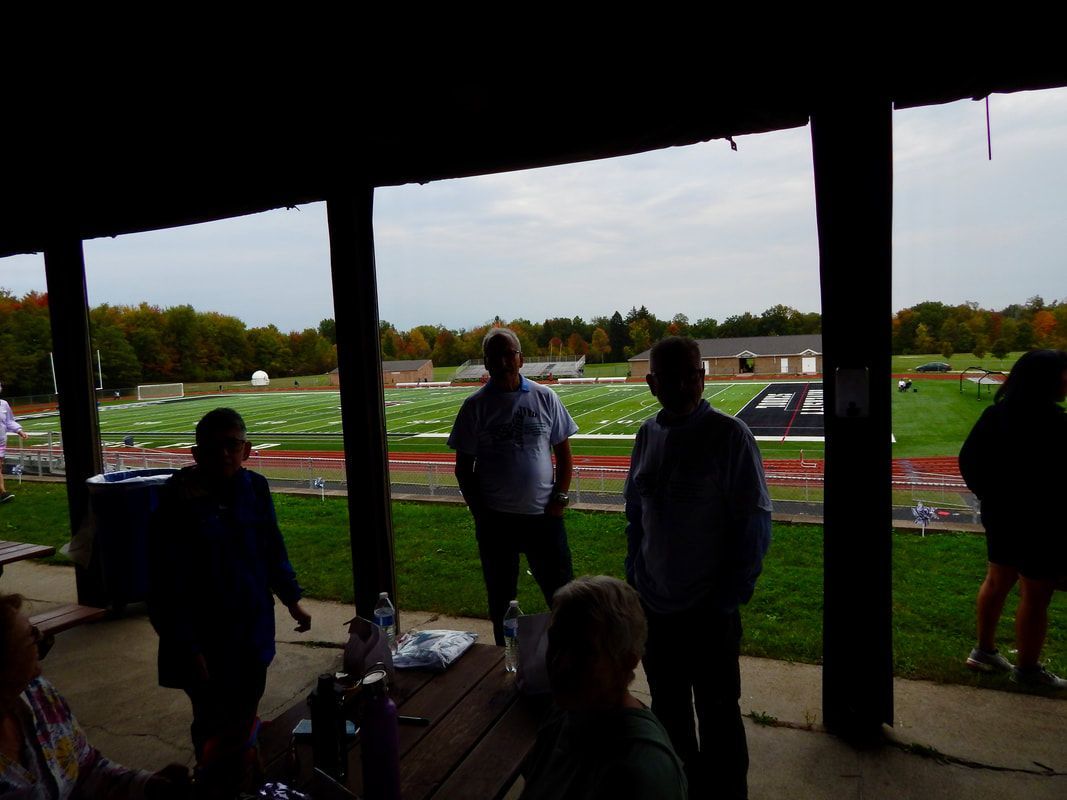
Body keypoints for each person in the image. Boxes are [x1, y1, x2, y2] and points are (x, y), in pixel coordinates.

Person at [625, 337, 771, 799]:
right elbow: (636, 515)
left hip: (709, 613)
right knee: (669, 716)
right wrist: (636, 574)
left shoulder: (730, 437)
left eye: (693, 374)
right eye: (672, 377)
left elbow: (754, 526)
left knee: (720, 717)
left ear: (704, 376)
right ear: (652, 384)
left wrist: (725, 601)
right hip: (657, 612)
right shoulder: (646, 435)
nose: (686, 385)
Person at [148, 408, 312, 792]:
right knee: (212, 720)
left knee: (246, 708)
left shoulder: (255, 487)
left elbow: (271, 546)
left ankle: (244, 775)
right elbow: (163, 581)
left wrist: (291, 599)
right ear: (195, 453)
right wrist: (185, 645)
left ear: (247, 449)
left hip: (251, 625)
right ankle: (217, 783)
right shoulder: (176, 499)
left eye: (232, 445)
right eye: (212, 447)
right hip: (205, 635)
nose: (223, 454)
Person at [449, 328, 578, 645]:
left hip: (544, 519)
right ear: (486, 362)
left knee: (564, 597)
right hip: (497, 524)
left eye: (509, 354)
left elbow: (563, 455)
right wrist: (481, 514)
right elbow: (463, 469)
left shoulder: (545, 397)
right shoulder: (475, 406)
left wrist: (559, 500)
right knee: (501, 601)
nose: (504, 361)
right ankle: (504, 664)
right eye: (496, 355)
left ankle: (572, 659)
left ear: (520, 358)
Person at [0, 591, 190, 798]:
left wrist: (145, 785)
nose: (42, 640)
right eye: (31, 637)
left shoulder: (38, 694)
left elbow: (87, 769)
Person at [521, 576, 687, 800]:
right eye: (556, 641)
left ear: (627, 661)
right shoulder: (568, 710)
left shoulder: (641, 773)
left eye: (583, 651)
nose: (561, 663)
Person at [959, 349, 1067, 688]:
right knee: (1036, 595)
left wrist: (989, 496)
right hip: (1042, 523)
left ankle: (984, 651)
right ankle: (1028, 671)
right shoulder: (1058, 424)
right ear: (1049, 380)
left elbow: (968, 461)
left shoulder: (995, 415)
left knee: (997, 579)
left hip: (1002, 516)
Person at [0, 382, 30, 503]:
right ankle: (2, 492)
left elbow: (9, 421)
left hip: (1, 442)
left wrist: (19, 431)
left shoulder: (3, 404)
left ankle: (2, 493)